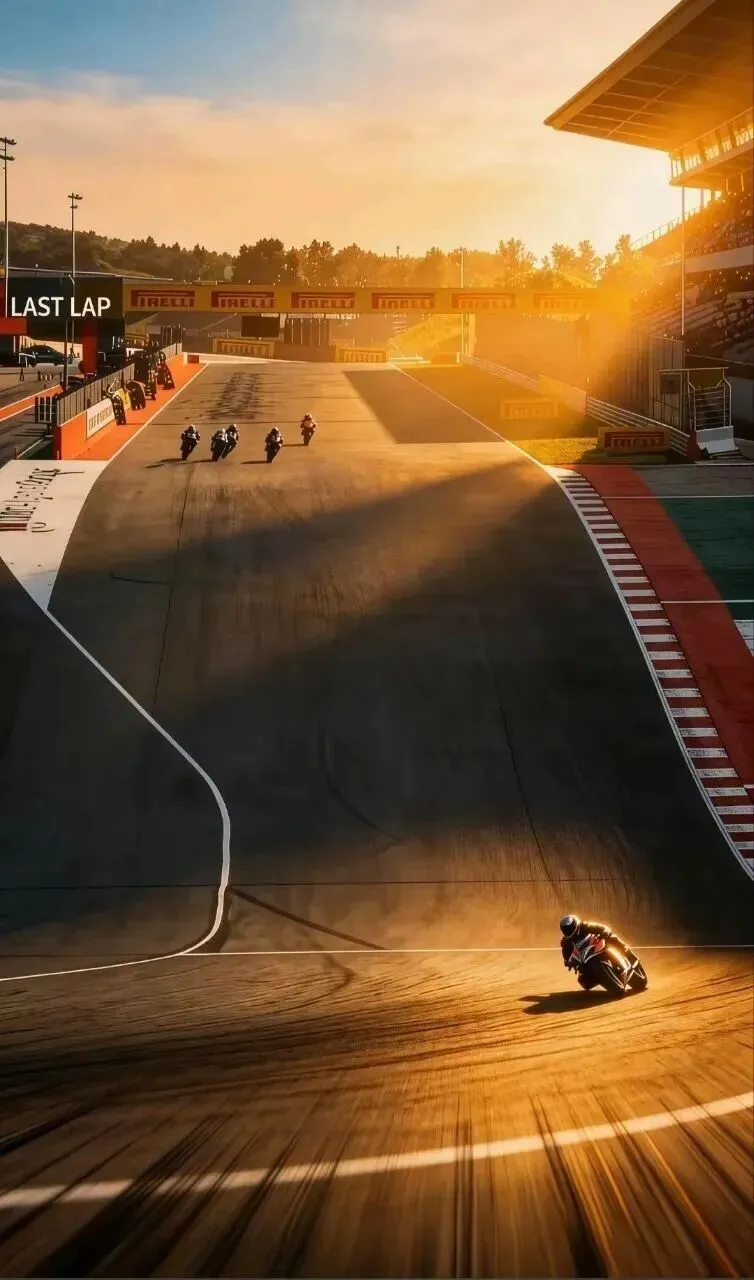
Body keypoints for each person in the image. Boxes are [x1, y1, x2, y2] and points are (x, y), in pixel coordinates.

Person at [560, 915, 639, 987]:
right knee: (584, 982)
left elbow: (603, 928)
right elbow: (566, 955)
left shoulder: (585, 926)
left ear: (575, 925)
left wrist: (603, 935)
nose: (568, 930)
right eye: (565, 929)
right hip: (583, 958)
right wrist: (569, 962)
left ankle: (627, 953)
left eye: (569, 928)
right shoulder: (566, 941)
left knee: (612, 938)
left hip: (595, 945)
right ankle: (598, 977)